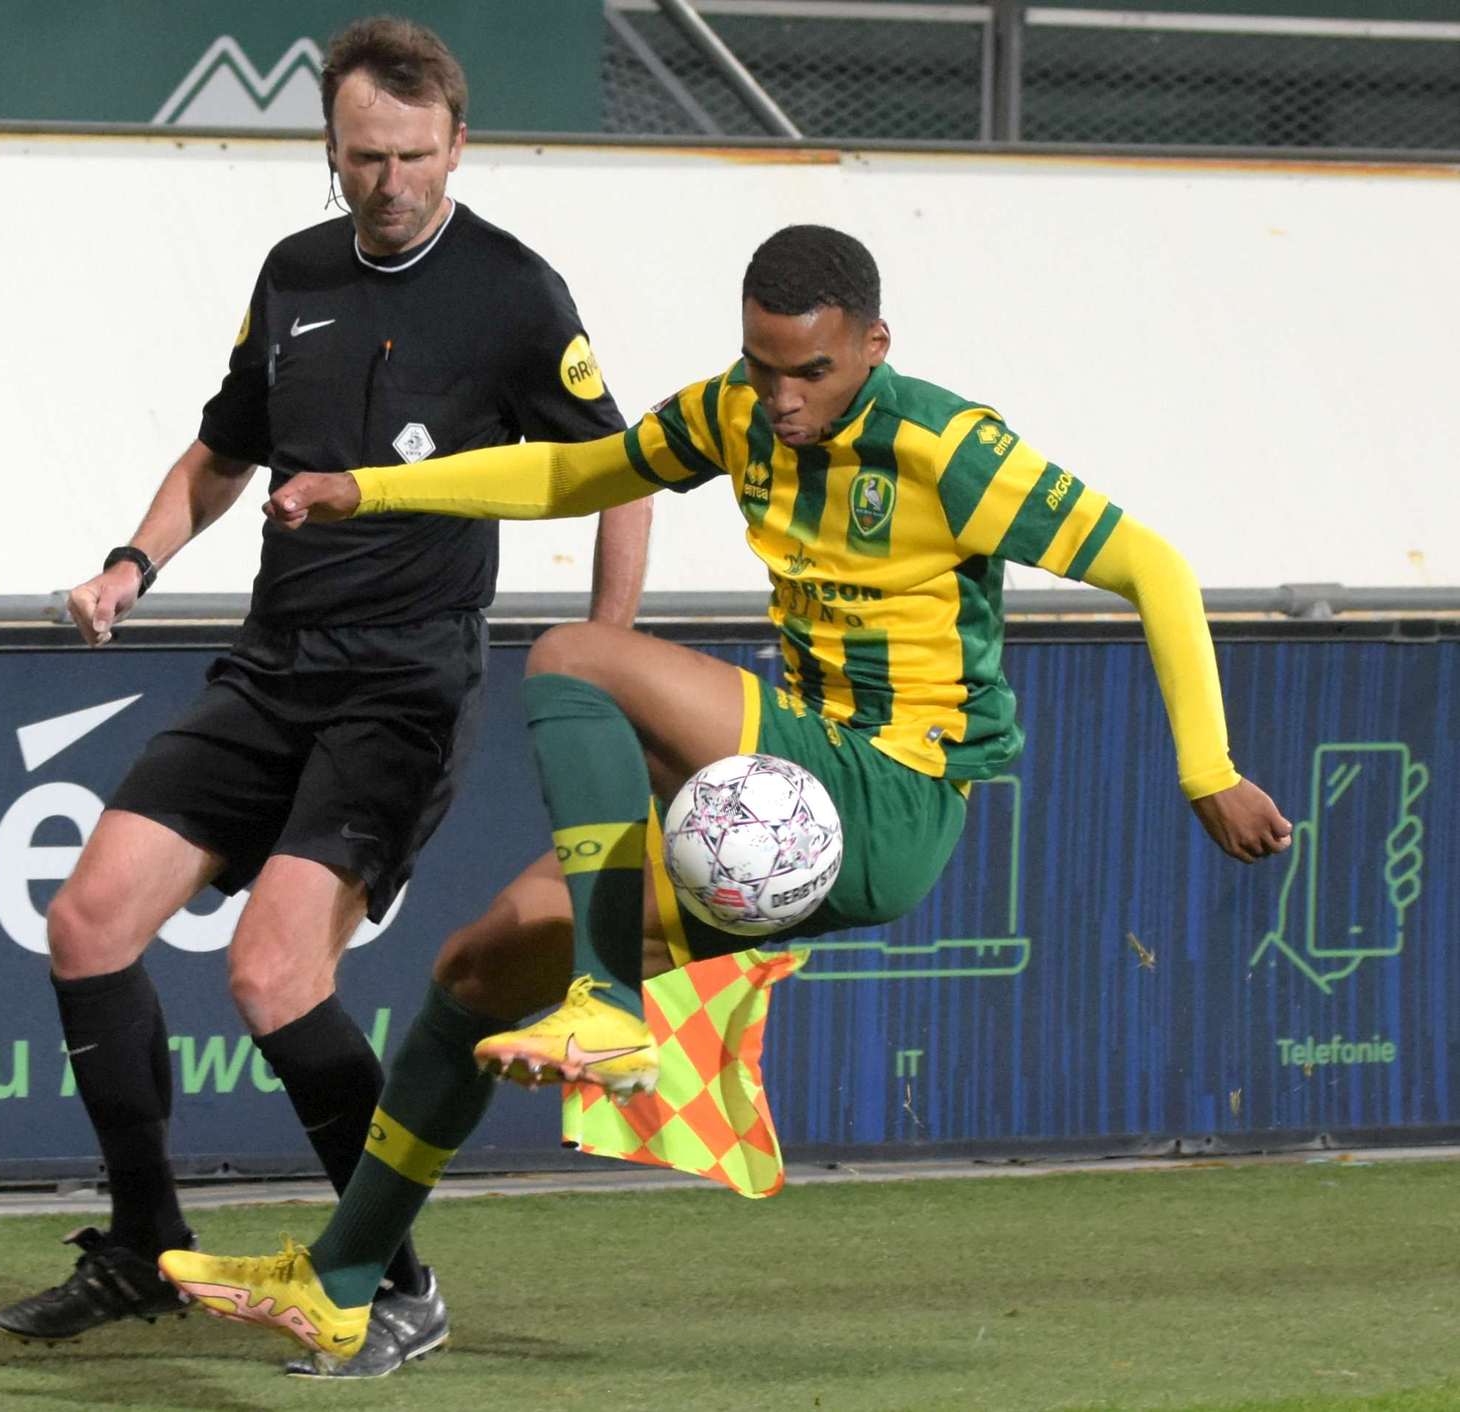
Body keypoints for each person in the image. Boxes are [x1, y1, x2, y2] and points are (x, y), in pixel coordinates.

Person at [151, 223, 1294, 1365]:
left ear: (871, 345)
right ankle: (347, 1280)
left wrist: (1207, 767)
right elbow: (571, 470)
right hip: (786, 790)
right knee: (472, 971)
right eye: (763, 365)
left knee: (573, 659)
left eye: (812, 371)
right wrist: (376, 486)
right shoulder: (733, 412)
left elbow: (1154, 562)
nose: (783, 397)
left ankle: (607, 1003)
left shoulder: (947, 446)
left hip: (887, 792)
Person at [0, 17, 651, 1381]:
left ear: (457, 144)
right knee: (87, 921)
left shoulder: (517, 293)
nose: (388, 181)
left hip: (403, 689)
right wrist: (133, 562)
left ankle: (392, 1282)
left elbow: (619, 475)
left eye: (412, 156)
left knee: (271, 971)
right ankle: (140, 1243)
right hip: (268, 666)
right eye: (363, 157)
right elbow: (225, 449)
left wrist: (608, 655)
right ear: (332, 150)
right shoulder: (293, 274)